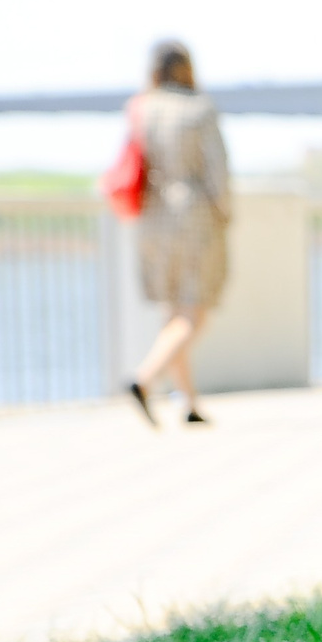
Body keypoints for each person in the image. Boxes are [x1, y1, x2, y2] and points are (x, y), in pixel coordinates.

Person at [125, 40, 231, 428]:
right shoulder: (199, 108)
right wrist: (225, 214)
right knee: (193, 312)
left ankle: (188, 403)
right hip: (194, 215)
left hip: (154, 217)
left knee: (172, 311)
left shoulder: (142, 109)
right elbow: (218, 171)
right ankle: (145, 379)